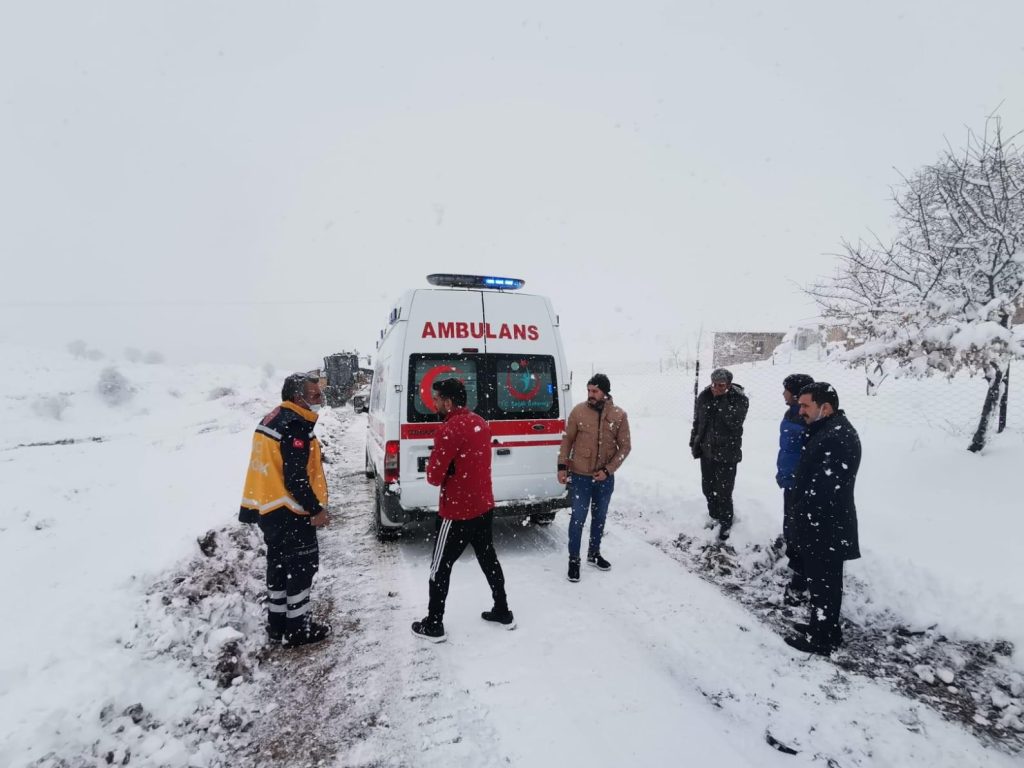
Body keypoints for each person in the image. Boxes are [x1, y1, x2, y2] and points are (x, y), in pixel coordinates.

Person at [412, 378, 513, 642]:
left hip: (457, 512)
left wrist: (445, 469)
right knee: (488, 558)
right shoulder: (480, 423)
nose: (434, 404)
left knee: (439, 567)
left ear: (448, 401)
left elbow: (433, 476)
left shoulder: (448, 429)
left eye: (436, 399)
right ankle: (502, 609)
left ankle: (434, 625)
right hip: (483, 506)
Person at [239, 373, 331, 648]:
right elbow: (296, 478)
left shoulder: (274, 418)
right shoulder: (295, 426)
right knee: (301, 569)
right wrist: (315, 509)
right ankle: (298, 629)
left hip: (269, 508)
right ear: (296, 397)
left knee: (279, 569)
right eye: (314, 396)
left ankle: (277, 625)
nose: (319, 400)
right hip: (290, 511)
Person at [784, 381, 861, 656]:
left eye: (806, 405)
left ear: (825, 407)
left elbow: (824, 489)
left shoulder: (838, 437)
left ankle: (823, 639)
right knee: (821, 583)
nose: (800, 410)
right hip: (821, 524)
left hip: (826, 525)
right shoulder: (826, 430)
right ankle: (823, 627)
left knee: (826, 583)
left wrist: (803, 513)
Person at [557, 373, 632, 583]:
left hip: (604, 479)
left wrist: (608, 470)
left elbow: (625, 447)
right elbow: (567, 440)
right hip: (580, 477)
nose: (590, 394)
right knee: (578, 519)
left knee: (599, 518)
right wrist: (562, 466)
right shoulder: (578, 412)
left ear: (605, 393)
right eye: (588, 390)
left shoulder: (618, 415)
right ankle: (574, 560)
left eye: (595, 391)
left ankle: (594, 553)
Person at [689, 368, 749, 541]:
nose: (715, 388)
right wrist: (694, 441)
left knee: (724, 491)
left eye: (721, 385)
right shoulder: (704, 396)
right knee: (708, 488)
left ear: (729, 385)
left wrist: (721, 400)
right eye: (713, 384)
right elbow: (698, 421)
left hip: (727, 454)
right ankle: (714, 515)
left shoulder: (739, 399)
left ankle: (726, 522)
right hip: (707, 451)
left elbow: (734, 422)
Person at [777, 373, 814, 606]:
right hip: (790, 480)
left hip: (801, 484)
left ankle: (801, 580)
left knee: (799, 532)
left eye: (786, 390)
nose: (783, 394)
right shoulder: (791, 413)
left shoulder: (807, 417)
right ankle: (797, 571)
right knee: (790, 528)